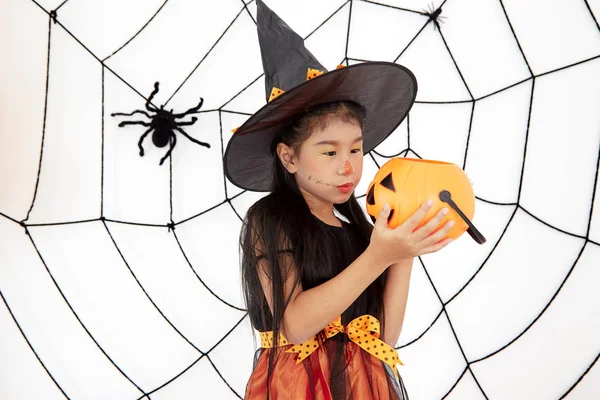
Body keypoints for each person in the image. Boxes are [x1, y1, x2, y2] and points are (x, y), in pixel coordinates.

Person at [223, 2, 454, 398]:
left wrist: (404, 248)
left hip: (366, 385)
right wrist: (379, 256)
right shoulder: (271, 219)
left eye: (356, 150)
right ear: (289, 157)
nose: (348, 167)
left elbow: (385, 335)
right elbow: (294, 324)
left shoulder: (361, 231)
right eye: (329, 153)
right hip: (298, 386)